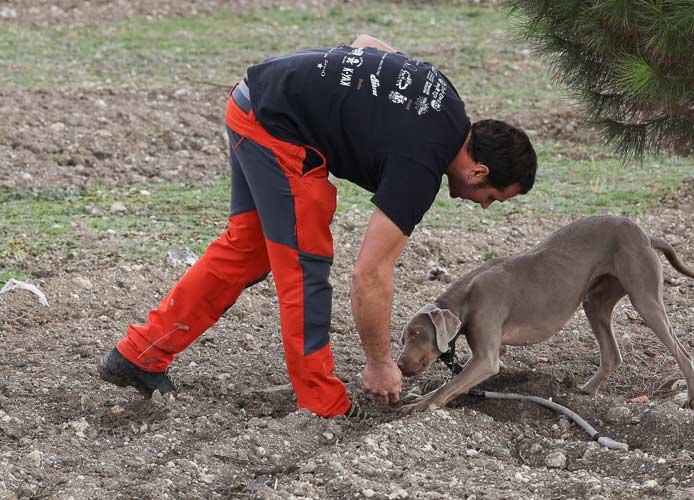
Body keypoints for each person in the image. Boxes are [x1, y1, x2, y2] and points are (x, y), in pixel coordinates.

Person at [97, 35, 538, 418]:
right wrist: (379, 362)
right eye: (494, 198)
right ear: (478, 172)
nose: (484, 207)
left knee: (247, 250)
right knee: (304, 266)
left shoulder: (446, 100)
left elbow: (367, 45)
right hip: (275, 129)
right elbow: (370, 275)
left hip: (252, 100)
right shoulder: (419, 167)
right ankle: (320, 401)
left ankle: (140, 355)